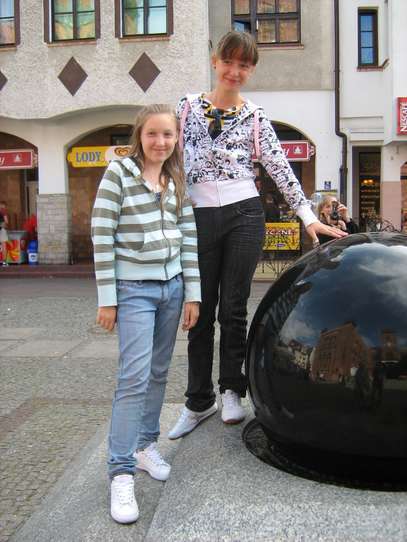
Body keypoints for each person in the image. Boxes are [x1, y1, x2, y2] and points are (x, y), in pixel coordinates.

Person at [168, 31, 347, 440]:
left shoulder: (254, 116)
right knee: (199, 308)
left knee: (233, 309)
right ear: (215, 61)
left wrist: (308, 217)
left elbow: (280, 167)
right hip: (197, 216)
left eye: (244, 65)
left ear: (251, 70)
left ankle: (232, 390)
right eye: (229, 62)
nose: (235, 71)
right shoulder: (186, 107)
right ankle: (198, 400)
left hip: (244, 215)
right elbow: (168, 160)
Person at [91, 104, 201, 524]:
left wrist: (192, 294)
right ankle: (120, 472)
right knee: (133, 377)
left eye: (168, 134)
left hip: (172, 288)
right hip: (133, 289)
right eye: (153, 133)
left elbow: (188, 237)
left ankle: (144, 446)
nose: (160, 142)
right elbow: (102, 234)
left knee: (157, 372)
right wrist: (107, 298)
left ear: (176, 139)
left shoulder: (176, 177)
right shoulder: (118, 173)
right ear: (139, 135)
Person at [0, 201, 9, 266]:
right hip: (2, 229)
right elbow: (6, 221)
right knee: (4, 246)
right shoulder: (3, 211)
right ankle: (4, 262)